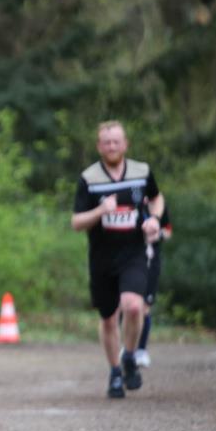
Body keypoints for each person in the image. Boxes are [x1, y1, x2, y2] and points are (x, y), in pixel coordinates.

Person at [71, 121, 164, 399]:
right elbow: (76, 222)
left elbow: (157, 199)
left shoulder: (142, 172)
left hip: (133, 253)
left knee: (133, 306)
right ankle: (114, 372)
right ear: (99, 147)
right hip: (101, 257)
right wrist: (100, 211)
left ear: (125, 144)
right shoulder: (89, 178)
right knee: (109, 318)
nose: (112, 146)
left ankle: (130, 356)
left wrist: (155, 221)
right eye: (106, 142)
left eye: (116, 141)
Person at [135, 205, 172, 367]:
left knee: (144, 307)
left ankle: (141, 350)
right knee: (127, 305)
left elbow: (169, 231)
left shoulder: (160, 206)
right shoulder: (131, 200)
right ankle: (128, 347)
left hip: (151, 262)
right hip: (131, 260)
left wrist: (157, 235)